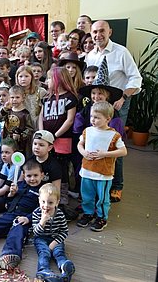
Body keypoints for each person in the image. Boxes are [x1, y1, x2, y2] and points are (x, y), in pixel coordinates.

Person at [86, 21, 142, 202]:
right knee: (96, 141)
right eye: (94, 31)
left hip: (117, 104)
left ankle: (117, 186)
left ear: (110, 32)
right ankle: (97, 181)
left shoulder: (121, 52)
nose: (98, 35)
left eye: (102, 31)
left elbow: (136, 78)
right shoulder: (90, 55)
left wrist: (123, 98)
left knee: (114, 144)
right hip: (97, 105)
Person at [77, 101, 127, 231]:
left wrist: (105, 154)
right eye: (92, 116)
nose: (93, 120)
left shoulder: (114, 135)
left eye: (97, 117)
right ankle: (88, 213)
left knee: (103, 198)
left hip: (103, 174)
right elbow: (80, 144)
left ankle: (101, 217)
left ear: (108, 119)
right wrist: (83, 152)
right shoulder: (87, 131)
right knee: (86, 195)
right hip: (87, 170)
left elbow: (123, 151)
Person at [39, 67, 79, 220]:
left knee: (61, 169)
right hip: (46, 139)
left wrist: (54, 136)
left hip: (62, 140)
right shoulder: (46, 97)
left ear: (58, 79)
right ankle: (46, 196)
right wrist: (42, 134)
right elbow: (41, 116)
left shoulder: (70, 98)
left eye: (49, 78)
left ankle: (61, 199)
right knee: (46, 165)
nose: (47, 81)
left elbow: (69, 120)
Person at [32, 183, 75, 281]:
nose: (46, 205)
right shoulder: (36, 213)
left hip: (56, 238)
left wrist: (54, 243)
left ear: (57, 202)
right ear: (39, 200)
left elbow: (64, 231)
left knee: (58, 253)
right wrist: (42, 221)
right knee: (44, 253)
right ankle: (44, 271)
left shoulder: (59, 214)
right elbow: (36, 233)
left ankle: (64, 268)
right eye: (43, 202)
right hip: (41, 238)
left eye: (50, 203)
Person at [0, 85, 33, 154]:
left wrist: (21, 136)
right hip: (7, 142)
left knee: (18, 160)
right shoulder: (8, 111)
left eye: (17, 97)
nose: (14, 99)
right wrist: (4, 109)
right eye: (12, 97)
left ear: (23, 98)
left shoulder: (25, 113)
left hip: (19, 146)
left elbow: (30, 129)